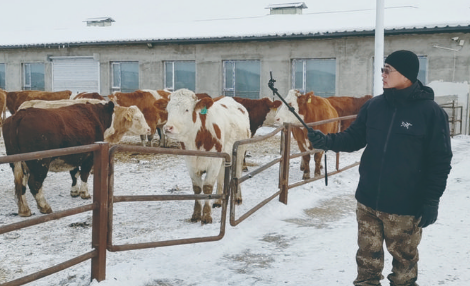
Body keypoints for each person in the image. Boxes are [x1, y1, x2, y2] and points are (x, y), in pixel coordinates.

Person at [307, 50, 453, 286]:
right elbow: (354, 138)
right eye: (382, 69)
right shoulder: (374, 106)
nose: (382, 75)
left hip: (404, 208)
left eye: (388, 70)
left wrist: (431, 200)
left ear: (405, 74)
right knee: (366, 271)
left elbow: (440, 161)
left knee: (404, 274)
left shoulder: (431, 113)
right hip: (368, 204)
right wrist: (327, 141)